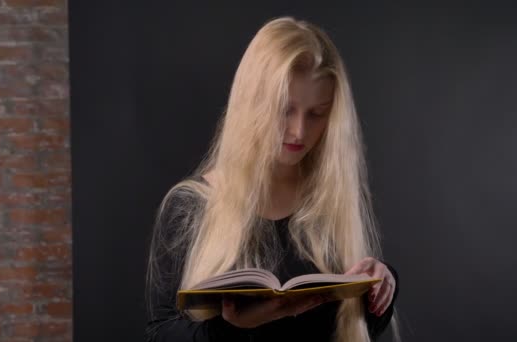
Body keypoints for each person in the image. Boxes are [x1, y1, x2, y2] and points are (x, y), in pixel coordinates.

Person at [145, 16, 401, 341]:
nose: (299, 131)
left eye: (316, 114)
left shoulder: (330, 203)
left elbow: (345, 331)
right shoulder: (189, 206)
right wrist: (231, 330)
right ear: (252, 103)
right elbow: (160, 334)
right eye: (284, 109)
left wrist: (379, 288)